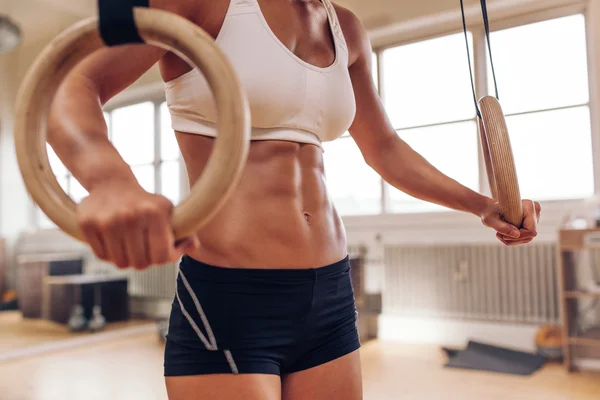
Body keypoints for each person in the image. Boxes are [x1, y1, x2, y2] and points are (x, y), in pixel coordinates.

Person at [47, 0, 541, 399]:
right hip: (231, 297)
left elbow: (385, 148)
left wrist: (481, 204)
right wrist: (112, 181)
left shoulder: (345, 26)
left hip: (328, 294)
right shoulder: (204, 4)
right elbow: (70, 86)